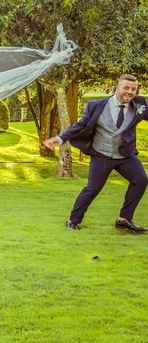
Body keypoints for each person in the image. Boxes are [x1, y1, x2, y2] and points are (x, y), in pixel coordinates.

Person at [44, 74, 148, 232]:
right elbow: (80, 125)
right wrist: (59, 139)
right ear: (117, 87)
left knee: (140, 180)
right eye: (126, 87)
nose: (130, 91)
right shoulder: (96, 105)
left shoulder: (140, 104)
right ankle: (73, 220)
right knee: (92, 188)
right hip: (102, 155)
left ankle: (124, 219)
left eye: (133, 89)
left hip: (126, 156)